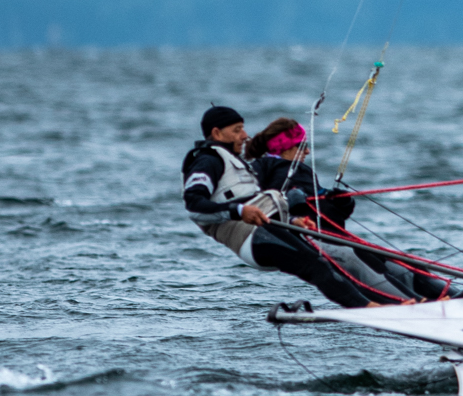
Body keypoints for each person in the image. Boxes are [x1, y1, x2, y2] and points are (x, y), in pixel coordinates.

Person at [181, 106, 449, 307]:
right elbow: (193, 205)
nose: (245, 135)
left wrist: (295, 220)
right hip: (250, 237)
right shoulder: (208, 160)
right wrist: (240, 211)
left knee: (357, 257)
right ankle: (386, 305)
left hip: (273, 229)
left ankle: (411, 301)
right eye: (237, 130)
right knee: (326, 262)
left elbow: (264, 206)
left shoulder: (240, 164)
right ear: (217, 133)